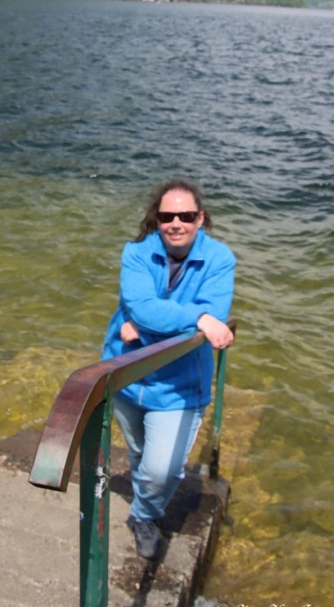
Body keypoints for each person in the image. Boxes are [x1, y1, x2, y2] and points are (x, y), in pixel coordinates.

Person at [101, 178, 236, 560]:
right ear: (156, 219)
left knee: (163, 469)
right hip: (127, 375)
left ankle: (144, 515)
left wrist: (143, 325)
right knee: (139, 452)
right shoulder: (136, 253)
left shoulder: (219, 259)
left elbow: (215, 314)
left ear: (200, 218)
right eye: (167, 216)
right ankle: (147, 494)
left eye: (186, 216)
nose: (176, 223)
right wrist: (197, 317)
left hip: (180, 385)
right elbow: (144, 308)